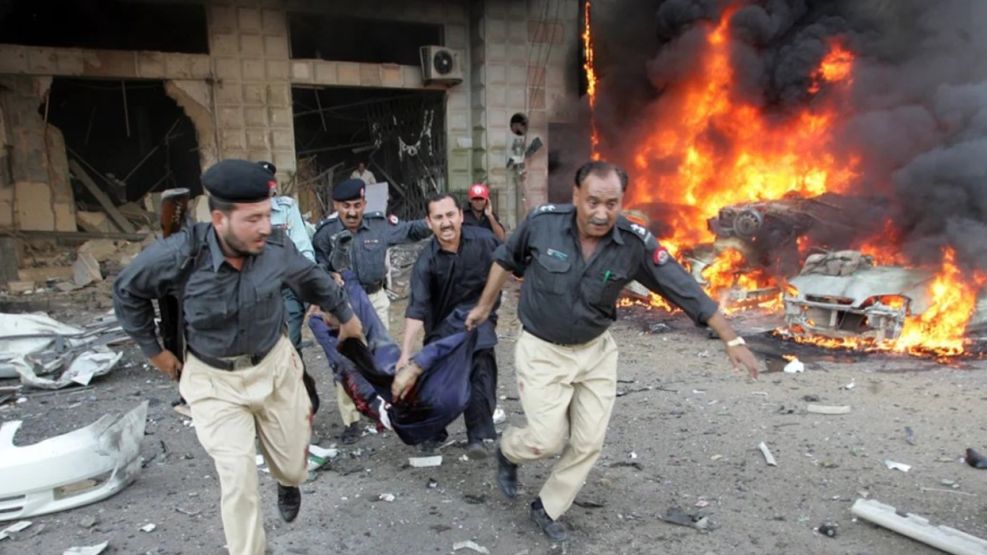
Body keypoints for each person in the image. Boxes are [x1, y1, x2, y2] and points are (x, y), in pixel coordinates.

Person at [464, 160, 760, 542]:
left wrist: (731, 338)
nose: (601, 213)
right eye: (592, 202)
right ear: (575, 197)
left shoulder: (633, 243)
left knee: (588, 442)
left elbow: (682, 287)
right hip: (542, 350)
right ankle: (509, 452)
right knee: (546, 439)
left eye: (611, 203)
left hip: (595, 351)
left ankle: (548, 506)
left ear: (621, 202)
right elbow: (505, 259)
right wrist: (485, 306)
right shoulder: (542, 223)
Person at [113, 159, 362, 555]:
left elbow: (311, 279)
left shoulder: (276, 249)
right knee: (238, 479)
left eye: (266, 215)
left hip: (275, 367)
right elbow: (127, 291)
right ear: (219, 219)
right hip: (214, 382)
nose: (264, 227)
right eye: (252, 219)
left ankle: (286, 481)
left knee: (294, 467)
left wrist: (347, 317)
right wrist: (154, 352)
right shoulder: (180, 254)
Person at [308, 270, 498, 446]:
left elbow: (344, 362)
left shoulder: (446, 392)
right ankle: (344, 284)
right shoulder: (453, 381)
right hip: (398, 379)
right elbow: (438, 349)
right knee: (372, 336)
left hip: (389, 401)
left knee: (348, 350)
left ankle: (338, 297)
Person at [312, 178, 431, 443]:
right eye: (345, 206)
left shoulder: (379, 225)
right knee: (345, 362)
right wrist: (328, 274)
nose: (352, 212)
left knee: (379, 359)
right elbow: (315, 266)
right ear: (336, 206)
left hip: (375, 299)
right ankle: (351, 421)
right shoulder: (324, 233)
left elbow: (411, 231)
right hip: (342, 306)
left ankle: (382, 408)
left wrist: (434, 222)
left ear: (364, 204)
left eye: (356, 205)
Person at [398, 193, 501, 455]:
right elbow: (417, 308)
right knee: (437, 385)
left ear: (460, 216)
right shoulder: (425, 262)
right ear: (429, 222)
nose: (446, 223)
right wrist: (406, 353)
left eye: (450, 215)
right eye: (438, 217)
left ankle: (478, 435)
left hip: (479, 323)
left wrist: (487, 305)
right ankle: (434, 431)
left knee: (480, 372)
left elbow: (507, 264)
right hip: (441, 331)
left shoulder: (485, 241)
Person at [259, 161, 321, 412]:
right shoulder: (242, 213)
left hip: (285, 289)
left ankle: (297, 405)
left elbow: (303, 249)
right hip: (256, 294)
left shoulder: (286, 209)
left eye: (269, 187)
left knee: (290, 347)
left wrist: (310, 284)